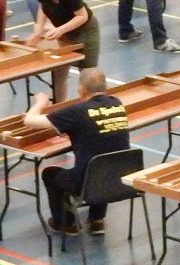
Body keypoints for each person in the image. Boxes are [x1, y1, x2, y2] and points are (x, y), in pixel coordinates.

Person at [26, 69, 131, 235]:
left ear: (81, 90)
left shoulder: (77, 111)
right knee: (104, 159)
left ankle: (66, 224)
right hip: (120, 179)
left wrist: (41, 102)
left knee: (50, 174)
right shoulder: (117, 103)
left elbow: (29, 121)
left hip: (87, 183)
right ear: (105, 88)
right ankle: (97, 220)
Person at [24, 0, 98, 101]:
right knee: (59, 73)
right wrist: (38, 31)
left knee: (88, 76)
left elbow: (82, 16)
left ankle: (91, 106)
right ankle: (59, 105)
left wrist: (60, 30)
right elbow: (43, 7)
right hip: (64, 32)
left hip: (85, 31)